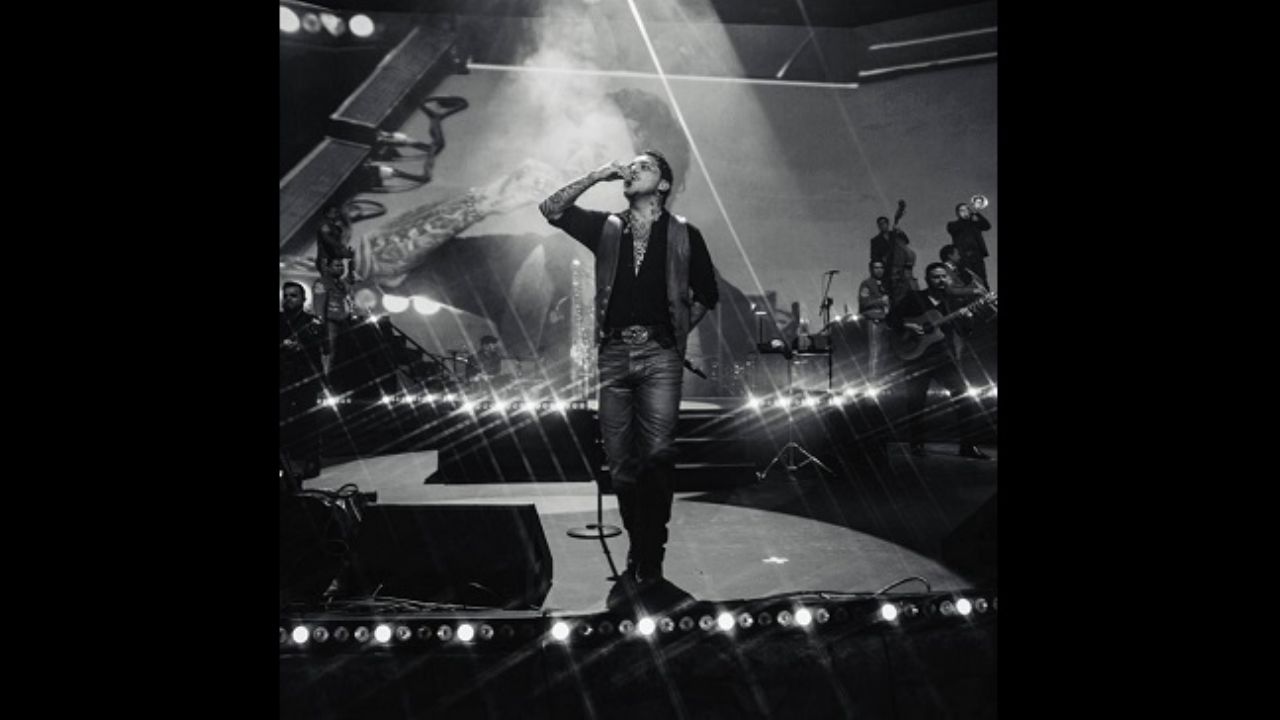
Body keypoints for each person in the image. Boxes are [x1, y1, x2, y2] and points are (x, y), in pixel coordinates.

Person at [539, 149, 719, 589]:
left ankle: (650, 554)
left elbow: (706, 293)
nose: (633, 169)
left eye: (645, 166)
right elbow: (551, 208)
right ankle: (639, 545)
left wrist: (676, 335)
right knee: (620, 464)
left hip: (660, 355)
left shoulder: (684, 233)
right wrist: (596, 175)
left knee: (656, 455)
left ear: (663, 184)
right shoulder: (607, 227)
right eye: (631, 165)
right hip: (614, 354)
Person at [886, 263, 989, 460]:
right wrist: (908, 325)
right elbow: (891, 319)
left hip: (943, 357)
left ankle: (967, 446)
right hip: (916, 357)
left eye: (943, 276)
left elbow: (964, 331)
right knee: (916, 402)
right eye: (936, 277)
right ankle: (917, 445)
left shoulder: (953, 303)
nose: (940, 281)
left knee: (964, 397)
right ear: (927, 279)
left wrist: (968, 319)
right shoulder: (914, 297)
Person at [279, 281, 326, 483]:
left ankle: (311, 462)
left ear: (303, 299)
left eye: (293, 295)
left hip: (306, 378)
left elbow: (322, 350)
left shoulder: (312, 322)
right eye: (286, 295)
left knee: (309, 421)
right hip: (282, 378)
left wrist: (303, 346)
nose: (288, 299)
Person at [869, 215, 917, 307]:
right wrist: (882, 260)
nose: (882, 225)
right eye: (880, 224)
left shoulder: (894, 234)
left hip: (901, 269)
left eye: (884, 223)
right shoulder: (875, 240)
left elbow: (906, 241)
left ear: (888, 224)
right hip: (887, 269)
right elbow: (874, 256)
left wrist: (900, 232)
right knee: (891, 294)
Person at [945, 202, 992, 286]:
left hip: (977, 255)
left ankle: (986, 292)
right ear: (958, 213)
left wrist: (976, 213)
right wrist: (967, 218)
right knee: (968, 279)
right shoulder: (953, 224)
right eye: (962, 210)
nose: (965, 212)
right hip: (963, 257)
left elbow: (987, 226)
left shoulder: (974, 223)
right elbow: (954, 229)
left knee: (982, 278)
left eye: (967, 209)